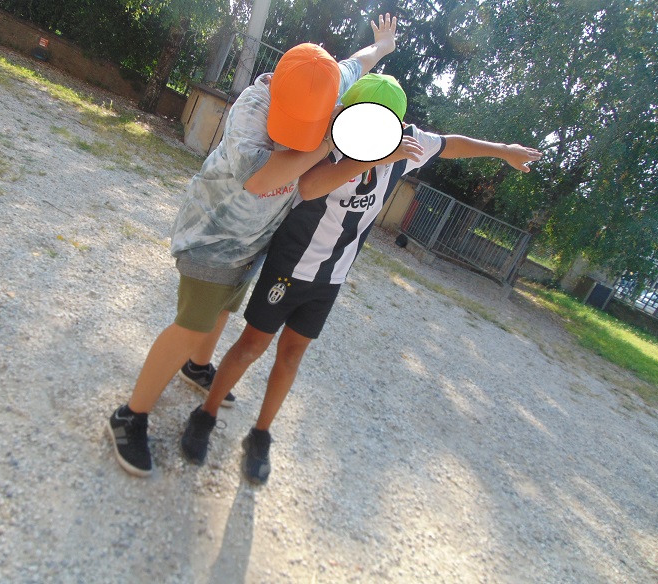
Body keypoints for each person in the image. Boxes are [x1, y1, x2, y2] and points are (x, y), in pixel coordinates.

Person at [180, 73, 543, 484]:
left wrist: (503, 151)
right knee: (251, 346)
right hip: (290, 264)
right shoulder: (331, 137)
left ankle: (260, 434)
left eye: (381, 125)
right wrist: (372, 157)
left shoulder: (407, 144)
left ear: (395, 123)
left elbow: (451, 143)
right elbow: (310, 186)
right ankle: (206, 413)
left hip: (331, 276)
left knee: (292, 355)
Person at [108, 15, 401, 477]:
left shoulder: (328, 82)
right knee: (191, 325)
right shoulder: (251, 112)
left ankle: (197, 367)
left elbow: (356, 62)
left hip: (252, 241)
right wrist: (329, 140)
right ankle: (130, 415)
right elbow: (264, 179)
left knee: (224, 310)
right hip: (213, 236)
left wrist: (382, 45)